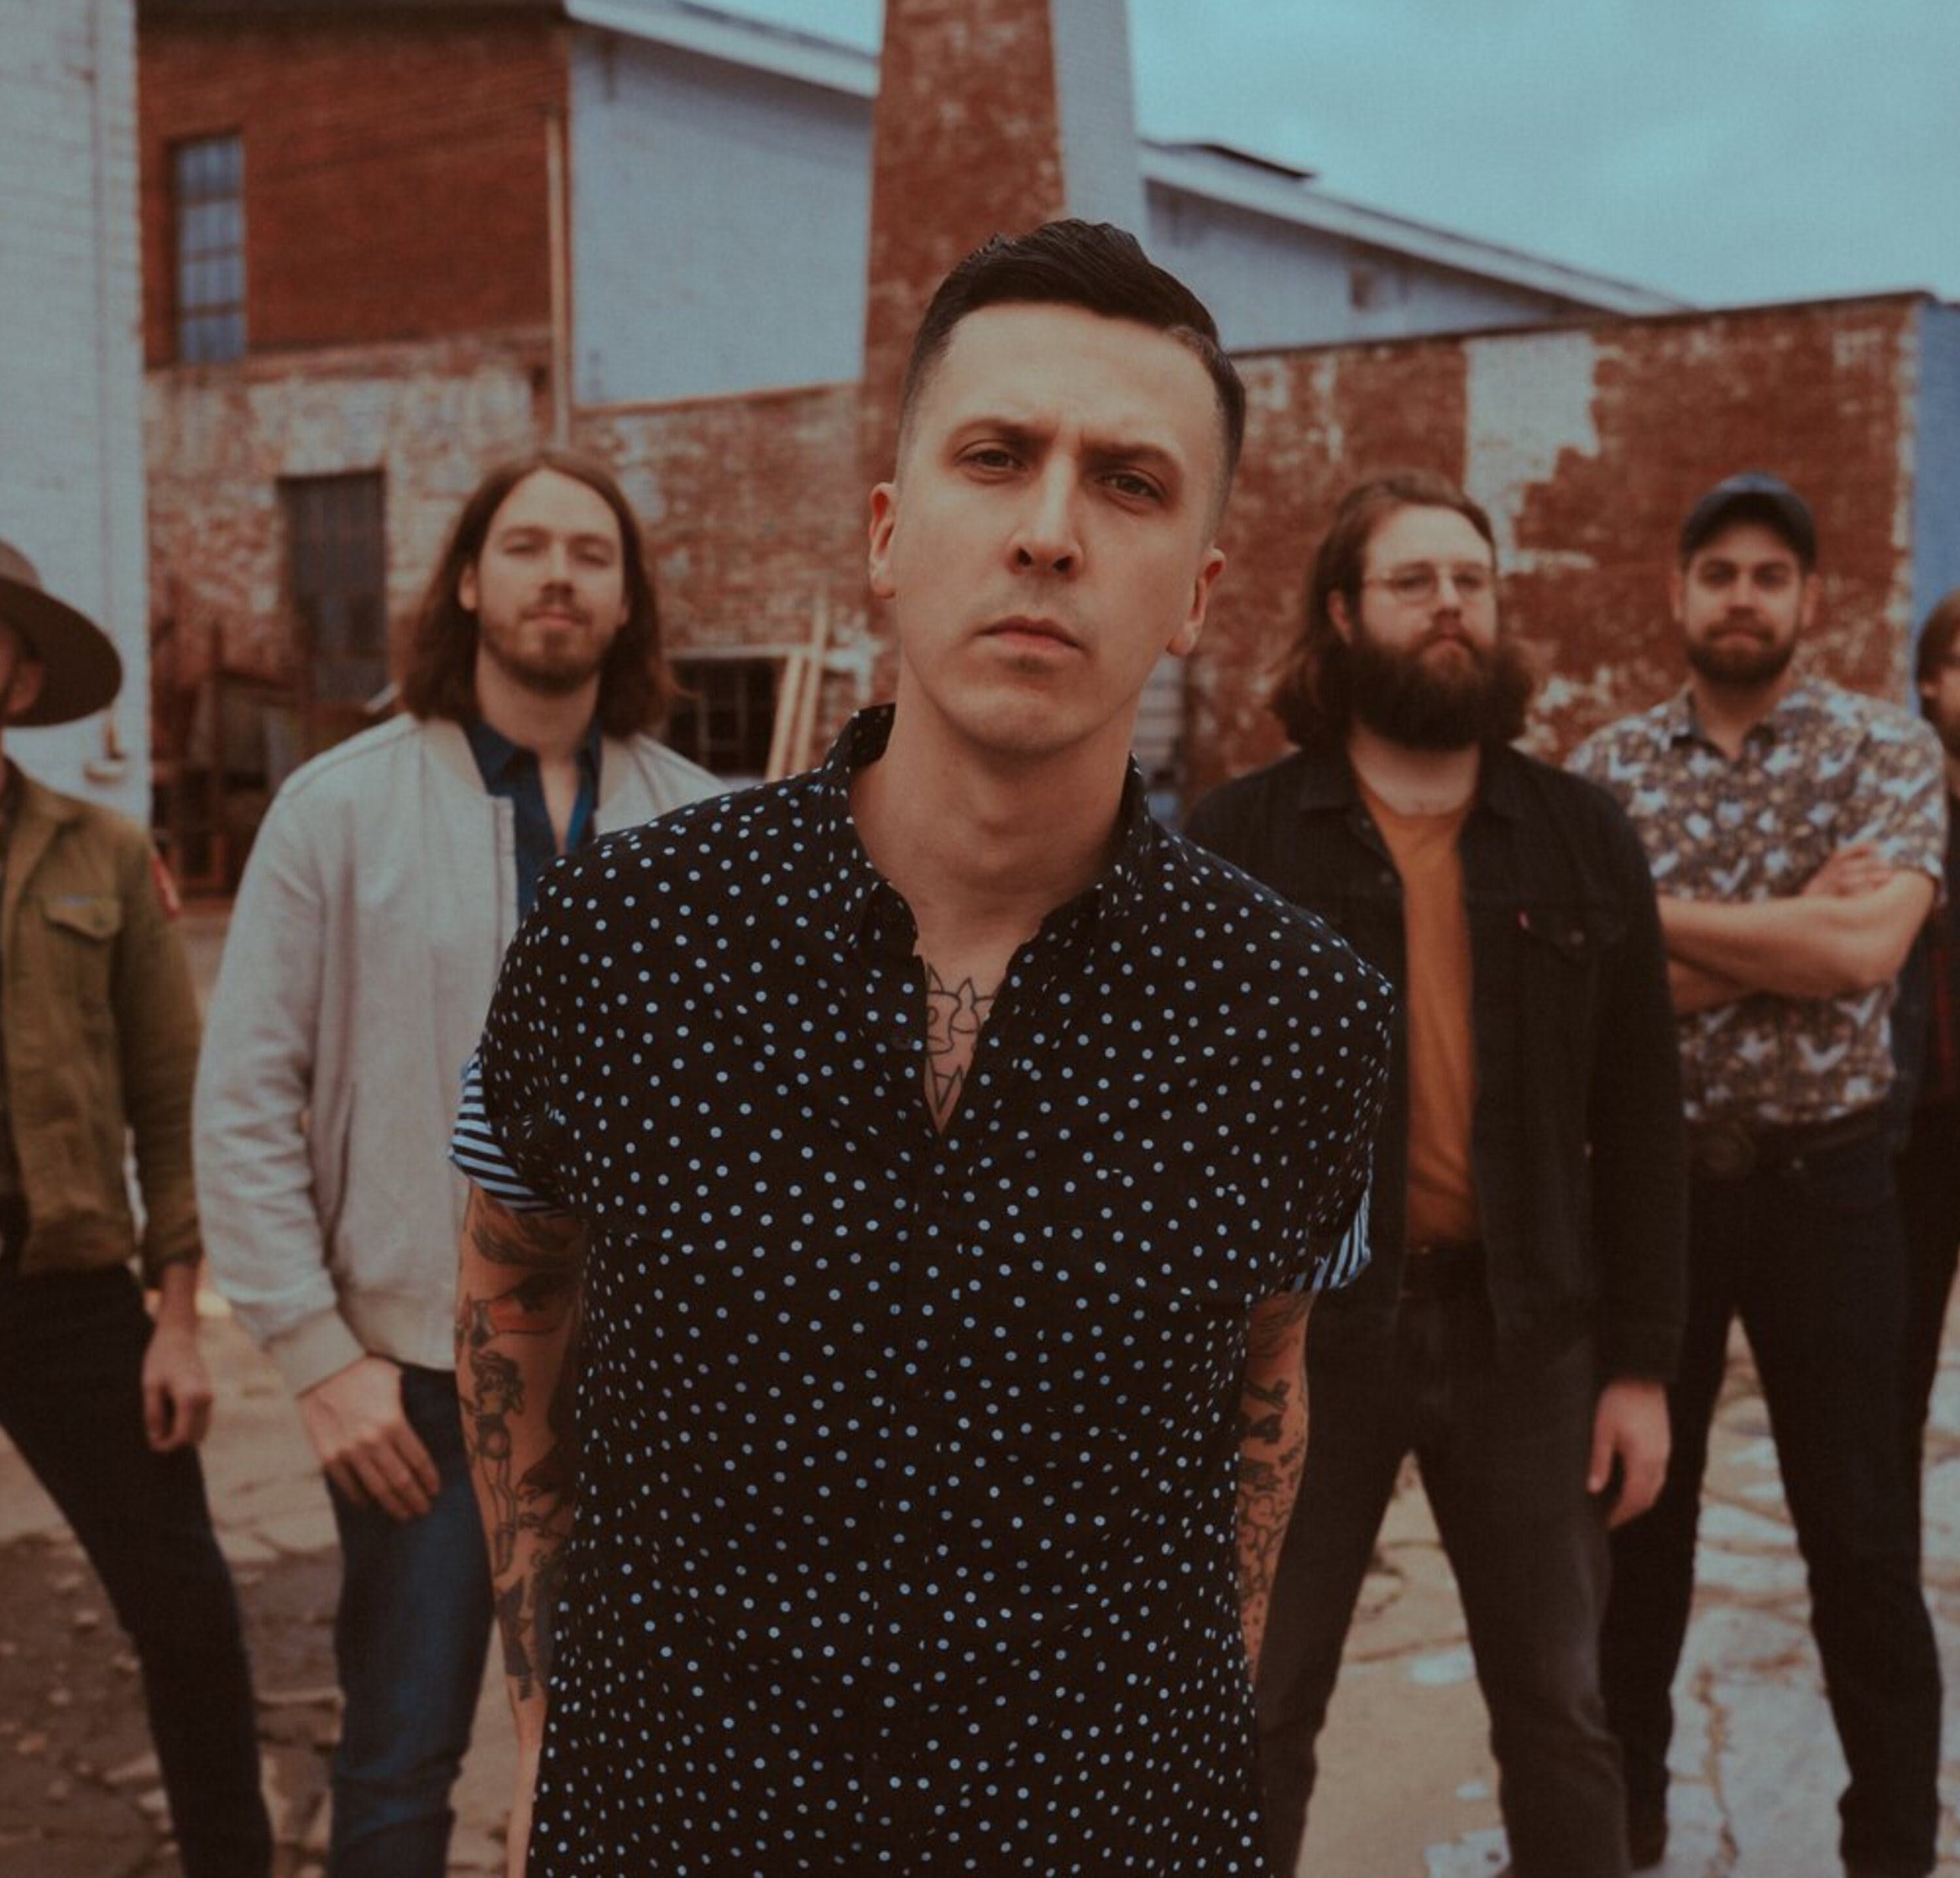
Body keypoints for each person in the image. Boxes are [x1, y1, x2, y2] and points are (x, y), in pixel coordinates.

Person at [448, 220, 1391, 1875]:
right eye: (996, 457)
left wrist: (1196, 1732)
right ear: (890, 535)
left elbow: (1266, 1383)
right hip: (680, 1815)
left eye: (1130, 484)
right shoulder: (626, 935)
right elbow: (513, 1294)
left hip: (1106, 1830)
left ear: (1197, 594)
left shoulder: (1297, 1015)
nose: (1049, 533)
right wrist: (547, 1717)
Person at [194, 452, 720, 1877]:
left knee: (649, 1762)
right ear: (472, 582)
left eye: (593, 555)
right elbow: (245, 1097)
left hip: (647, 1379)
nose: (560, 576)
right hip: (419, 1381)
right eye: (528, 546)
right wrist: (316, 1355)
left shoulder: (701, 823)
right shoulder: (338, 806)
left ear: (627, 602)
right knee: (401, 1757)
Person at [1184, 471, 1687, 1878]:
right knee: (1257, 1710)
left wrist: (1641, 1369)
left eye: (1472, 579)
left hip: (1529, 1339)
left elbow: (1644, 1123)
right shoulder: (1239, 841)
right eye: (1415, 582)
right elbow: (1178, 1138)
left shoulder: (1583, 836)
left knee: (1562, 1718)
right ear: (1344, 616)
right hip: (1301, 1351)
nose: (1452, 605)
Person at [1570, 473, 1945, 1878]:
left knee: (1862, 1537)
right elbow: (1583, 995)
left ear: (1810, 600)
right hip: (1651, 1195)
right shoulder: (1603, 771)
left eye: (1769, 575)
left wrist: (1651, 924)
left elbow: (1868, 953)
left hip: (1830, 1195)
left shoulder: (1882, 748)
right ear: (1677, 593)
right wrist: (1794, 936)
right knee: (1634, 1527)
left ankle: (1892, 1842)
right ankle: (1627, 1819)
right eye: (1718, 571)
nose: (1743, 596)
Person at [0, 542, 271, 1876]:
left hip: (67, 1294)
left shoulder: (103, 854)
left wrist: (176, 1319)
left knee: (188, 1613)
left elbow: (171, 1102)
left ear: (19, 678)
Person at [1891, 590, 1960, 1548]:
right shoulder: (1900, 817)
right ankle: (1892, 1578)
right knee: (1892, 1377)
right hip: (1922, 1132)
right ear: (1931, 685)